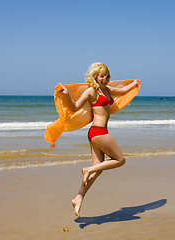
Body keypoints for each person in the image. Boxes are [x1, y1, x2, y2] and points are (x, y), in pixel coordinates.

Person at [60, 62, 139, 218]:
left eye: (107, 76)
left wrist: (134, 84)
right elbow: (75, 107)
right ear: (95, 76)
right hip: (98, 132)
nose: (105, 78)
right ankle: (87, 169)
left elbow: (122, 90)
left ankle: (79, 198)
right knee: (120, 160)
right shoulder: (91, 91)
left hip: (98, 132)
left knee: (99, 169)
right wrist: (66, 95)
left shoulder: (108, 90)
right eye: (102, 76)